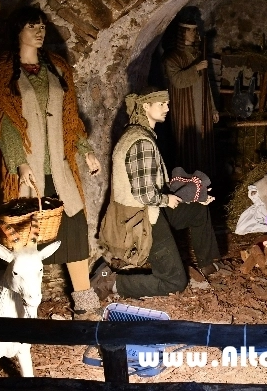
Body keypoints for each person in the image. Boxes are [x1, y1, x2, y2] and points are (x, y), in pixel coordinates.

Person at [0, 5, 103, 320]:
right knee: (24, 240)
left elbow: (70, 116)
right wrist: (20, 164)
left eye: (42, 26)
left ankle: (85, 303)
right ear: (18, 31)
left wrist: (85, 150)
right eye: (32, 26)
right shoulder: (1, 72)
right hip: (27, 170)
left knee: (74, 228)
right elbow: (4, 122)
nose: (39, 32)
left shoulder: (57, 67)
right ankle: (18, 308)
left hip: (60, 167)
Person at [95, 86, 221, 300]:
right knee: (175, 282)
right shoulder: (141, 142)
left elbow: (152, 184)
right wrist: (167, 199)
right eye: (162, 104)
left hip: (150, 209)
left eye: (167, 103)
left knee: (197, 211)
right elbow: (145, 195)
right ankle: (111, 282)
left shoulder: (140, 134)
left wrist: (193, 194)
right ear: (146, 106)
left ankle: (207, 265)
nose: (167, 108)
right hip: (142, 219)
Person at [162, 23, 219, 174]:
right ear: (182, 33)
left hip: (202, 105)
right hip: (185, 108)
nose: (194, 33)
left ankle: (204, 175)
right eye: (190, 31)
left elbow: (206, 83)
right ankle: (188, 176)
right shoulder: (172, 57)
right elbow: (177, 80)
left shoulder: (198, 55)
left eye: (195, 30)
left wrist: (213, 108)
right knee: (188, 141)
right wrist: (196, 68)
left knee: (203, 139)